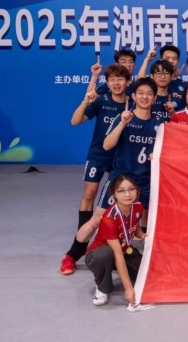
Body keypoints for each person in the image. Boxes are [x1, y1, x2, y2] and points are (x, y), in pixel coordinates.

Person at [60, 78, 162, 275]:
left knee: (148, 222)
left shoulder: (160, 123)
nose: (145, 97)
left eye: (149, 94)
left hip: (146, 182)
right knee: (98, 219)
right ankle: (71, 256)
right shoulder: (123, 117)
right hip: (121, 180)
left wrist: (156, 155)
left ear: (154, 98)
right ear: (134, 96)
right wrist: (122, 123)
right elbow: (107, 145)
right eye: (141, 93)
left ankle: (146, 264)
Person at [60, 64, 130, 276]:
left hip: (120, 161)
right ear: (107, 83)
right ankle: (80, 242)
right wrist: (85, 101)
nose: (116, 83)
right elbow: (75, 121)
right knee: (90, 194)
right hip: (99, 155)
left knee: (116, 204)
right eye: (112, 80)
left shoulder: (134, 103)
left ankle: (108, 243)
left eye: (120, 79)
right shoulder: (101, 100)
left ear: (128, 82)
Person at [85, 174, 146, 306]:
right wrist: (128, 288)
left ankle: (121, 269)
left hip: (125, 251)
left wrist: (141, 234)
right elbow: (117, 254)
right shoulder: (109, 219)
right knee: (104, 255)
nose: (127, 194)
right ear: (114, 194)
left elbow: (134, 224)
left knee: (148, 275)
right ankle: (102, 288)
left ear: (137, 190)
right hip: (100, 254)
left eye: (131, 189)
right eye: (121, 191)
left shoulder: (138, 207)